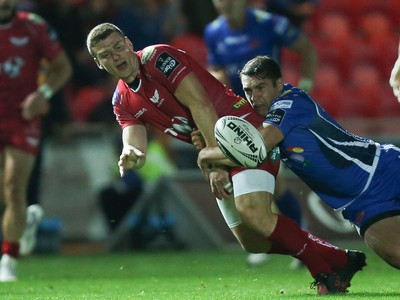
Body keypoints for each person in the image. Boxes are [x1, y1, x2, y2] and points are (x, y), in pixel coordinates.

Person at [86, 22, 366, 294]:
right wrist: (131, 153)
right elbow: (133, 138)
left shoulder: (159, 58)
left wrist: (216, 162)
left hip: (243, 132)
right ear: (99, 64)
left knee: (254, 213)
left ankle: (326, 274)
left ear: (129, 44)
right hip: (211, 150)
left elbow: (201, 104)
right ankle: (339, 258)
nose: (116, 56)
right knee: (252, 241)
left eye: (118, 47)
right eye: (105, 55)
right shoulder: (122, 100)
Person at [197, 55, 400, 272]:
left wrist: (205, 154)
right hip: (358, 204)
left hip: (383, 170)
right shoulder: (263, 121)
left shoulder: (290, 102)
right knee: (394, 254)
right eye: (248, 91)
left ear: (278, 83)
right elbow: (245, 148)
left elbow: (256, 147)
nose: (254, 97)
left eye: (260, 87)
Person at [204, 0, 317, 267]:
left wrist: (306, 89)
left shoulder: (268, 23)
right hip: (238, 114)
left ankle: (299, 240)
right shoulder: (212, 31)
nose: (225, 5)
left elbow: (307, 50)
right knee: (269, 182)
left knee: (275, 183)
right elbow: (215, 68)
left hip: (271, 112)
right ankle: (291, 239)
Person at [0, 0, 72, 281]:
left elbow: (63, 68)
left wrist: (43, 94)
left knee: (13, 187)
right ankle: (24, 223)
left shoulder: (33, 26)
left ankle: (7, 260)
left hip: (22, 118)